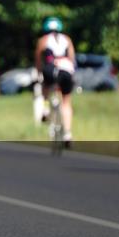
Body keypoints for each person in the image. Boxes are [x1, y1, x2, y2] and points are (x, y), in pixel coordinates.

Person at [34, 17, 76, 148]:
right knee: (66, 101)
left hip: (51, 68)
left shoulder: (43, 40)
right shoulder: (67, 39)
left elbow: (38, 59)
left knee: (45, 86)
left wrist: (39, 72)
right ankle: (68, 133)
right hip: (66, 69)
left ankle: (46, 108)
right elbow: (72, 58)